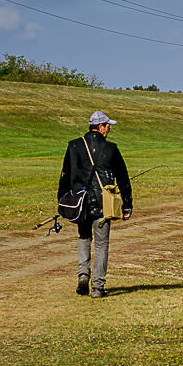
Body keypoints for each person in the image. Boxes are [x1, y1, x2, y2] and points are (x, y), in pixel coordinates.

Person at [58, 111, 133, 298]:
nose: (109, 130)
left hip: (79, 203)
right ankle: (98, 287)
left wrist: (62, 202)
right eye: (108, 126)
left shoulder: (73, 146)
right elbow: (123, 179)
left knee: (84, 238)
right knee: (101, 244)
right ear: (100, 127)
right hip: (103, 204)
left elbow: (65, 176)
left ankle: (83, 274)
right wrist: (127, 205)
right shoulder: (111, 149)